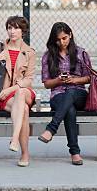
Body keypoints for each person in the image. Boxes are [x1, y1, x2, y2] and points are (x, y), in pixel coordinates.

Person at [0, 16, 36, 167]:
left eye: (16, 28)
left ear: (23, 31)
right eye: (9, 28)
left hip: (22, 91)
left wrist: (12, 88)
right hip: (2, 96)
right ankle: (25, 154)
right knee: (23, 109)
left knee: (21, 93)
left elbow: (29, 79)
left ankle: (15, 138)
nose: (12, 31)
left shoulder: (29, 52)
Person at [39, 22, 92, 165]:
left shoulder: (81, 53)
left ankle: (51, 129)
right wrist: (58, 80)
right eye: (58, 40)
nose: (61, 42)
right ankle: (75, 152)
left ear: (70, 35)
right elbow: (46, 83)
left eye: (64, 38)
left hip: (79, 93)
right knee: (69, 109)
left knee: (72, 92)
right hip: (58, 94)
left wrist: (74, 80)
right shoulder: (48, 56)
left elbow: (89, 77)